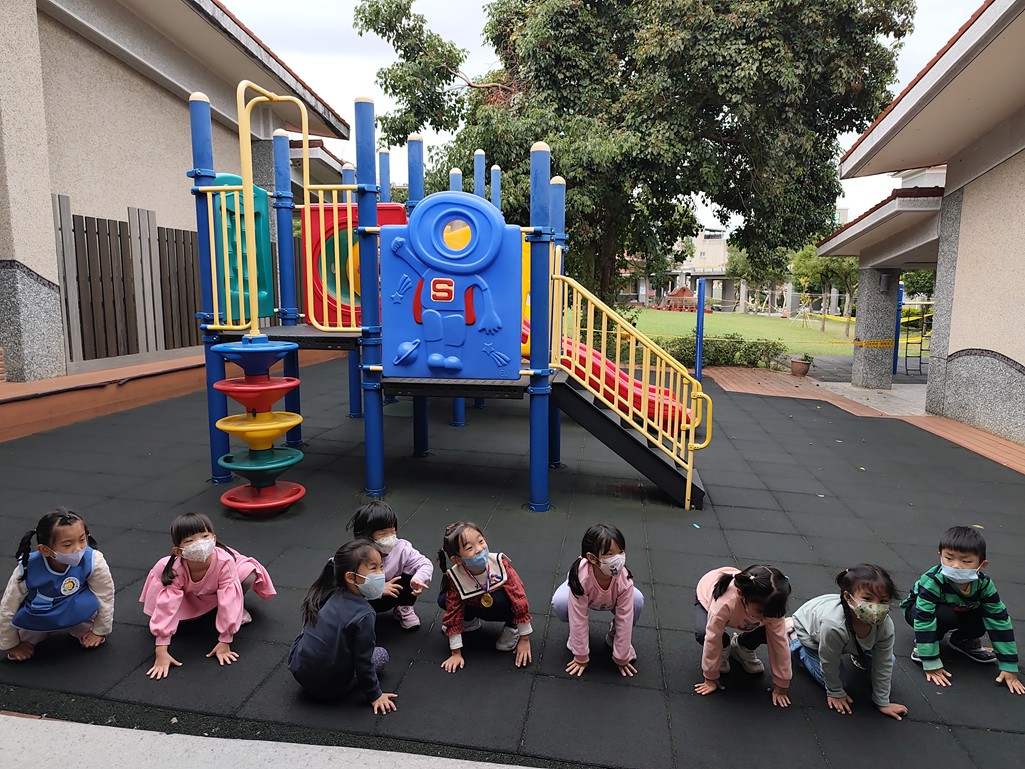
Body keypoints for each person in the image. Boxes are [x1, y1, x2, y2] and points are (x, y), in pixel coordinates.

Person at [139, 512, 275, 680]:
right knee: (185, 622)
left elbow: (229, 596)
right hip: (191, 593)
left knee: (247, 575)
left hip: (215, 586)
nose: (200, 543)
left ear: (213, 538)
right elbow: (167, 606)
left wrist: (225, 640)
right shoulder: (175, 569)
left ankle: (237, 609)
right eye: (190, 541)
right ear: (178, 551)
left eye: (204, 536)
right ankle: (204, 608)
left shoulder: (225, 562)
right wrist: (161, 650)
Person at [901, 525, 1024, 694]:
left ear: (982, 565)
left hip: (961, 610)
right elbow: (924, 617)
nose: (956, 566)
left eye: (966, 561)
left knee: (988, 613)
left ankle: (962, 640)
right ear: (940, 555)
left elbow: (999, 620)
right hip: (918, 612)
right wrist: (930, 660)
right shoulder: (934, 581)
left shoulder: (983, 584)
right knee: (944, 615)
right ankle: (925, 645)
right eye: (949, 558)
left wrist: (1009, 666)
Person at [288, 540, 397, 714]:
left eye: (381, 567)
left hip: (300, 673)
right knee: (381, 654)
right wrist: (375, 695)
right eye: (373, 568)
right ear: (350, 577)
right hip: (328, 689)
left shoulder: (328, 593)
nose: (380, 574)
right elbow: (363, 661)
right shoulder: (365, 614)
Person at [790, 564, 908, 720]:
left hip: (844, 634)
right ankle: (794, 641)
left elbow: (884, 662)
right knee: (835, 680)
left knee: (890, 661)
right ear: (848, 597)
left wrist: (882, 702)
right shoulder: (833, 625)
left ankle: (856, 651)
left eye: (883, 601)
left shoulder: (884, 624)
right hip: (809, 630)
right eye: (867, 599)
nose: (875, 607)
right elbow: (829, 661)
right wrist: (835, 692)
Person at [0, 508, 114, 661]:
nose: (78, 549)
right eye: (67, 545)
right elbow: (9, 606)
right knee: (27, 636)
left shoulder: (94, 560)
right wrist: (11, 644)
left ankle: (82, 628)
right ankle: (31, 635)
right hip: (40, 611)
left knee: (90, 615)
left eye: (82, 540)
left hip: (75, 604)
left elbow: (104, 595)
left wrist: (99, 631)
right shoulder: (27, 567)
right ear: (45, 550)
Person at [436, 521, 532, 672]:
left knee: (505, 599)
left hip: (501, 607)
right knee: (444, 600)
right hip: (476, 603)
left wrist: (524, 638)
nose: (479, 549)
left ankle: (512, 627)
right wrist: (455, 653)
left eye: (481, 541)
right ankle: (469, 621)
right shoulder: (456, 576)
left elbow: (519, 598)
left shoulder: (499, 564)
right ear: (457, 559)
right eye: (470, 548)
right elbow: (453, 610)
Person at [551, 524, 644, 677]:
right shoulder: (581, 579)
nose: (618, 558)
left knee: (637, 599)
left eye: (620, 551)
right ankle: (577, 637)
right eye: (609, 554)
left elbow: (625, 618)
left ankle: (613, 635)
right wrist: (581, 656)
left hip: (612, 597)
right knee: (560, 601)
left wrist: (622, 657)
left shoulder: (624, 579)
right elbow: (578, 617)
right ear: (592, 558)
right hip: (586, 594)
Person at [694, 564, 792, 707]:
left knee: (774, 632)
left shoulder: (772, 608)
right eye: (760, 612)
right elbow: (712, 638)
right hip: (709, 596)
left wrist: (782, 684)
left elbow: (780, 643)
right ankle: (724, 647)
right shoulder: (724, 604)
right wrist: (710, 677)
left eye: (769, 614)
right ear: (741, 595)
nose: (765, 617)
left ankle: (742, 647)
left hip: (745, 612)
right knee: (704, 632)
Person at [346, 500, 433, 630]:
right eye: (383, 534)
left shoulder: (401, 548)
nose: (390, 537)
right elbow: (343, 584)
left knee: (411, 573)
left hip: (392, 593)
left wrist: (418, 579)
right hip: (365, 599)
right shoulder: (356, 554)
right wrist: (377, 589)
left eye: (393, 531)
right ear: (367, 536)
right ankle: (358, 618)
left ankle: (404, 608)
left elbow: (425, 564)